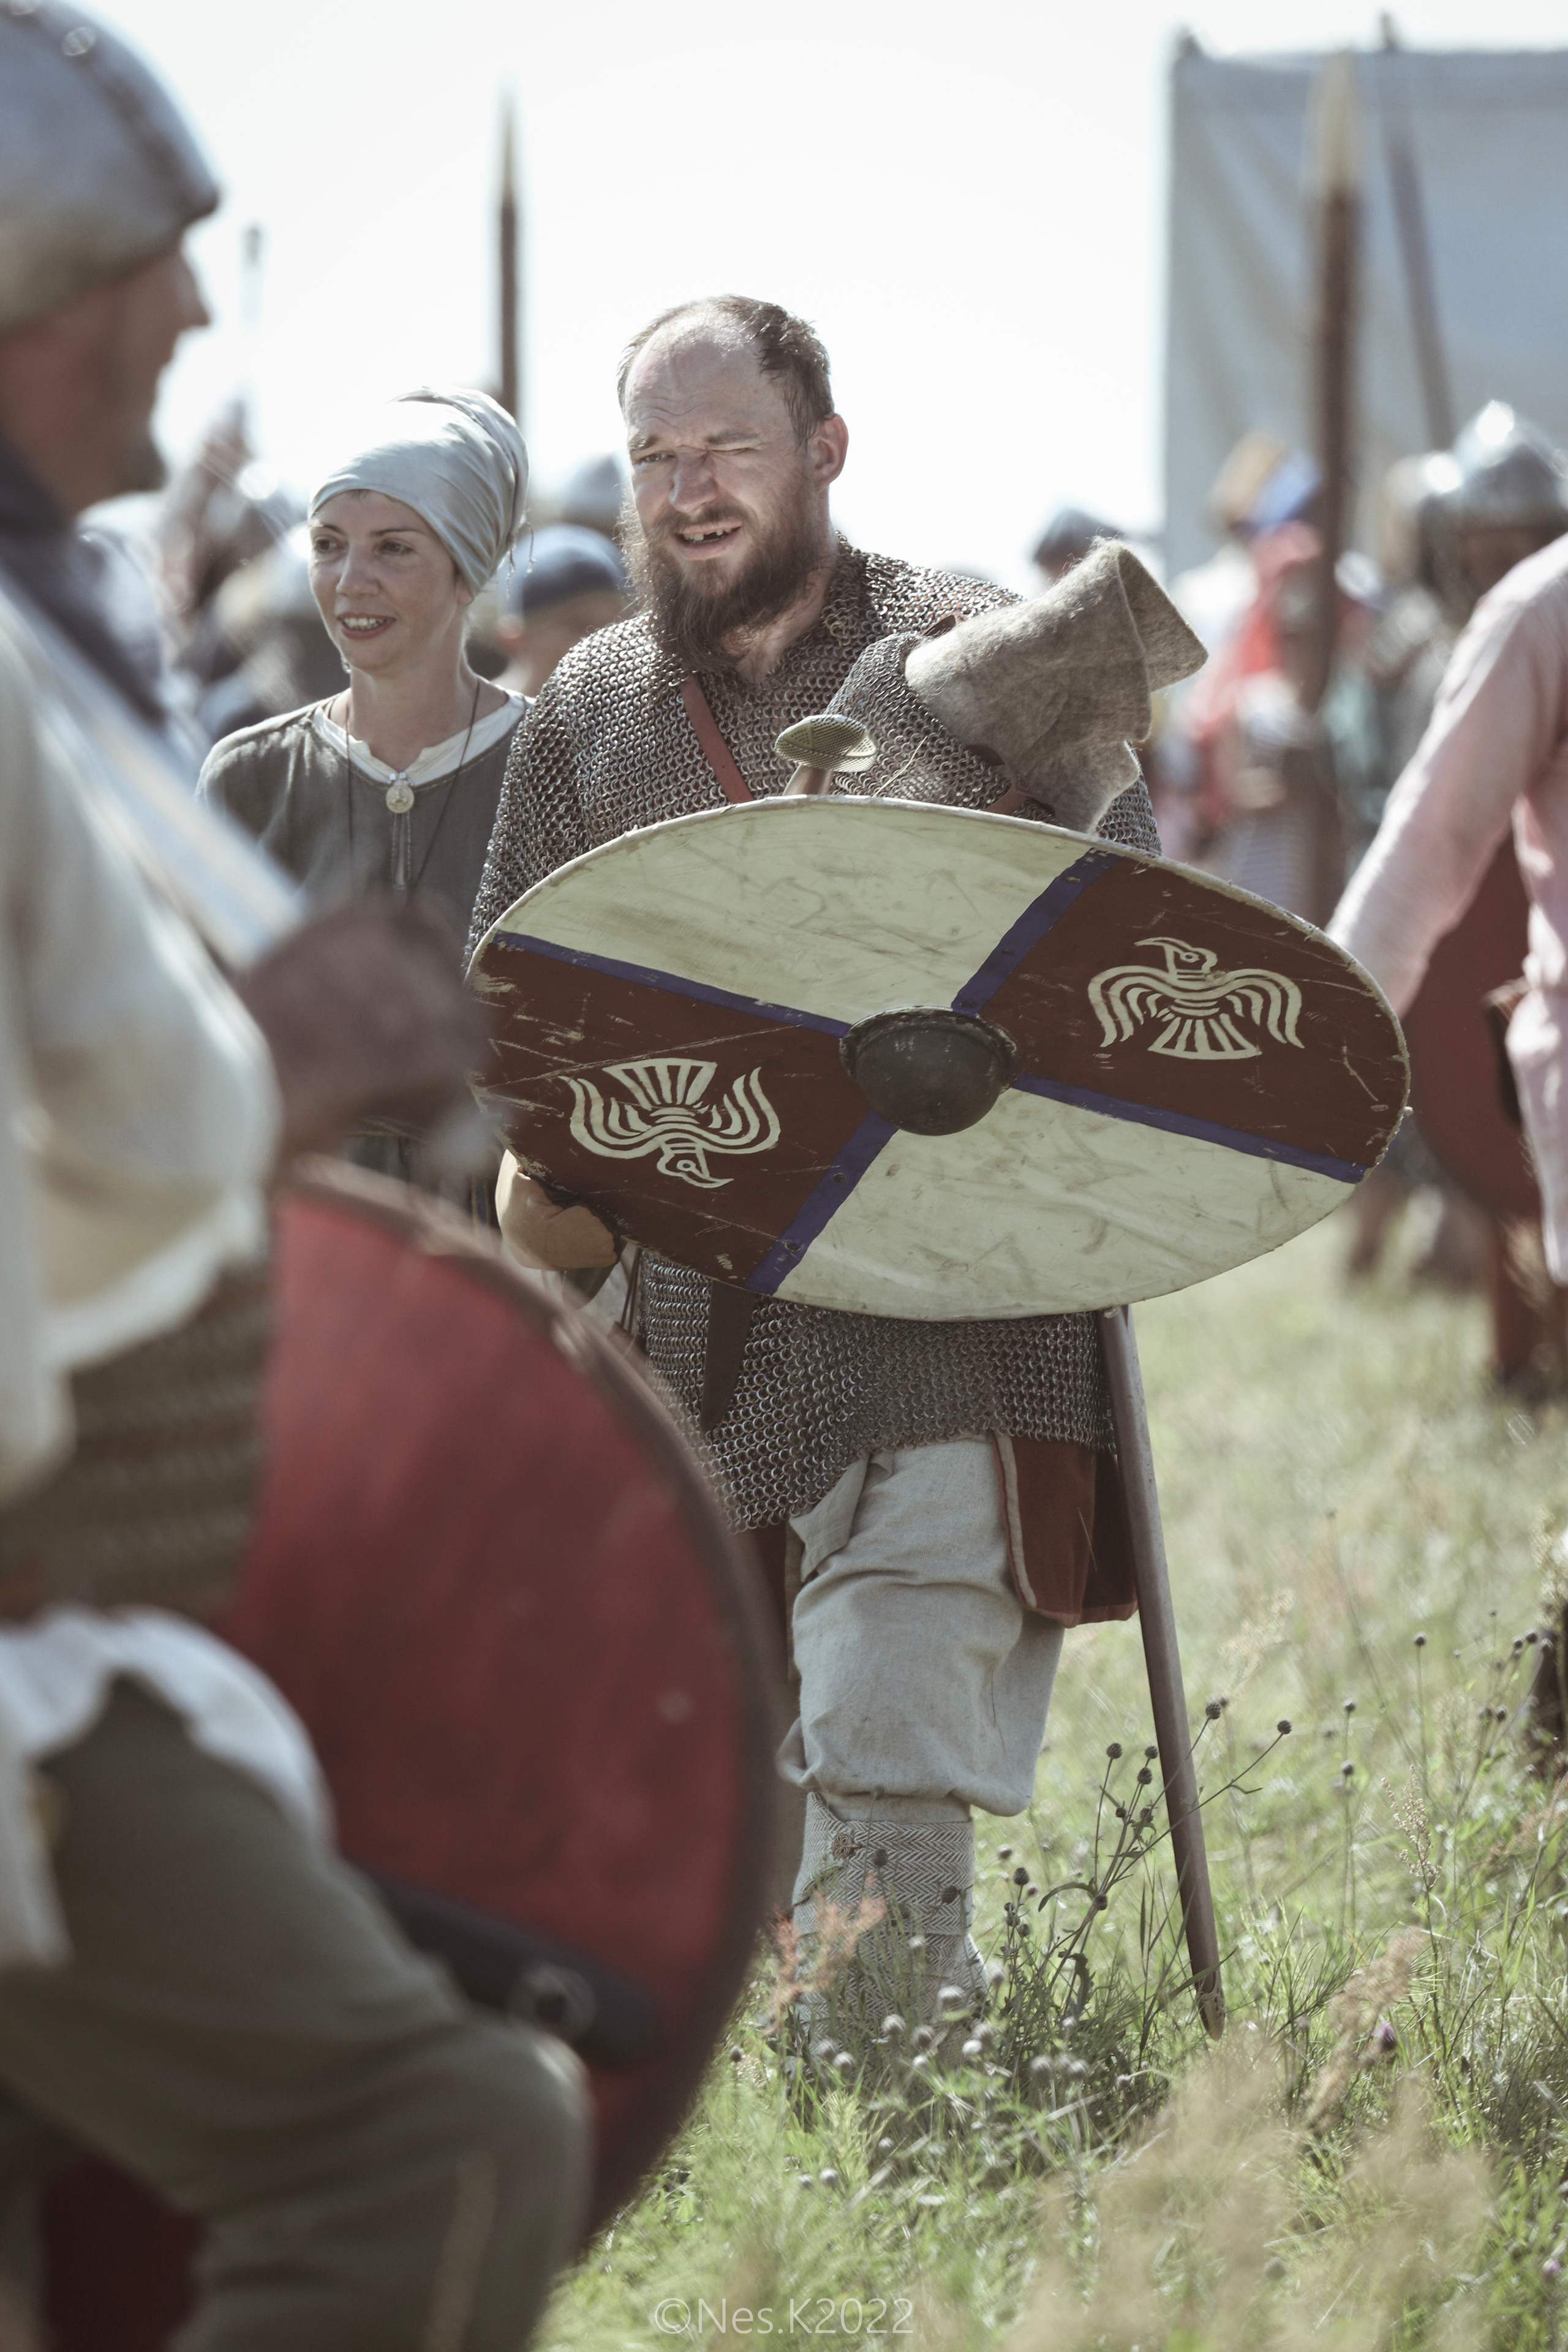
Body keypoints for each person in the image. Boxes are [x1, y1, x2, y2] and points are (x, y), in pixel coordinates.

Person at [0, 7, 586, 2341]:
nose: (196, 311)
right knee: (429, 2135)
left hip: (104, 1565)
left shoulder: (61, 634)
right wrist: (267, 1068)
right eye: (157, 260)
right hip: (33, 1596)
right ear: (37, 285)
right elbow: (113, 1110)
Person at [467, 294, 1202, 2019]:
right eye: (654, 454)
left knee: (884, 1729)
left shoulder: (968, 648)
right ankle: (852, 2086)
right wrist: (558, 1167)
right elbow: (520, 1008)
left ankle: (890, 2088)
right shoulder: (588, 708)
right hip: (707, 1326)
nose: (686, 486)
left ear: (825, 449)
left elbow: (1137, 952)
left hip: (960, 1306)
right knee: (743, 1787)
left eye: (725, 444)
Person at [200, 390, 529, 1195]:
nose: (351, 580)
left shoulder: (550, 761)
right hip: (305, 1250)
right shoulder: (248, 777)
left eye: (393, 548)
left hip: (508, 1261)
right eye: (327, 545)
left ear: (467, 569)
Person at [495, 522, 628, 696]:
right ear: (515, 637)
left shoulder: (631, 716)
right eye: (580, 627)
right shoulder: (477, 719)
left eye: (612, 628)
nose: (600, 645)